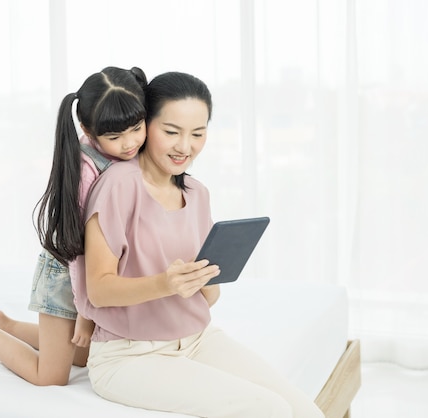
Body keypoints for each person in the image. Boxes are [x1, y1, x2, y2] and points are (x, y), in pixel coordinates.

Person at [75, 71, 325, 417]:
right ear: (146, 125)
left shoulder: (197, 193)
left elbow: (210, 295)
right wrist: (165, 283)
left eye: (198, 133)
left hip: (197, 338)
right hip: (129, 355)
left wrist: (205, 278)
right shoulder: (118, 185)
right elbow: (98, 290)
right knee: (269, 409)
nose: (185, 147)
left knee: (304, 410)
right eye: (171, 132)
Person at [0, 66, 148, 386]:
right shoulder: (86, 171)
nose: (129, 143)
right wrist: (85, 315)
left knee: (83, 356)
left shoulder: (126, 153)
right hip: (67, 273)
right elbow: (80, 254)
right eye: (115, 137)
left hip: (95, 273)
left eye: (136, 128)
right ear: (87, 130)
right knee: (50, 377)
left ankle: (5, 323)